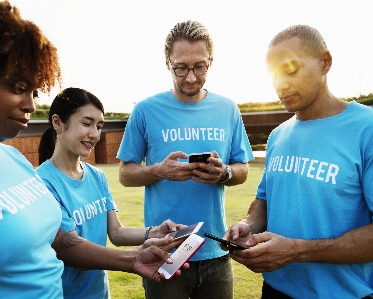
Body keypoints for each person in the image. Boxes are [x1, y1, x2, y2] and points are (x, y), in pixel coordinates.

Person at [0, 1, 186, 298]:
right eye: (17, 86)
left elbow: (58, 240)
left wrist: (138, 251)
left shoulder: (12, 158)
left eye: (34, 92)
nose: (31, 105)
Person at [225, 25, 373, 298]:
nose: (281, 84)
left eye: (291, 69)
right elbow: (264, 202)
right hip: (274, 291)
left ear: (324, 63)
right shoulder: (278, 136)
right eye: (274, 75)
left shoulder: (367, 129)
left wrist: (297, 251)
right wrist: (247, 225)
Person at [117, 20, 254, 299]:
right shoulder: (145, 110)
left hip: (216, 251)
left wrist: (224, 173)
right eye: (181, 67)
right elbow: (125, 174)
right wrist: (159, 171)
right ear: (167, 63)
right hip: (165, 251)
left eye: (199, 66)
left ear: (210, 61)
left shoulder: (228, 109)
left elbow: (242, 169)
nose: (191, 77)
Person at [37, 87, 185, 299]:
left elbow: (116, 232)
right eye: (86, 123)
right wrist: (133, 258)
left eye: (99, 126)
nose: (94, 134)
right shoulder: (42, 183)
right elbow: (69, 248)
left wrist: (153, 232)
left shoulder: (97, 176)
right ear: (57, 123)